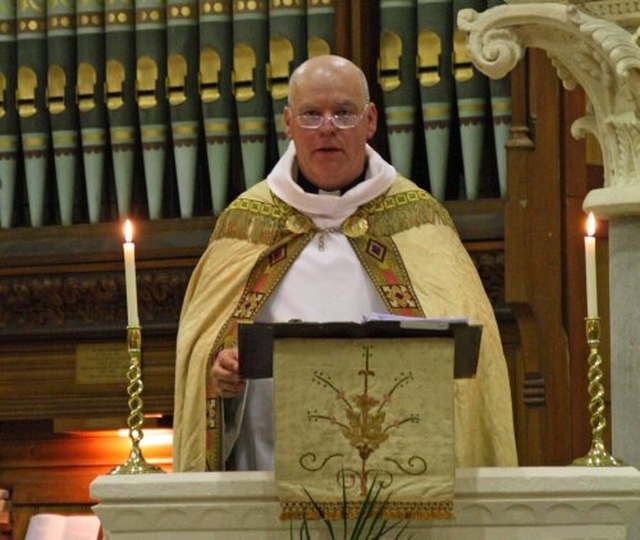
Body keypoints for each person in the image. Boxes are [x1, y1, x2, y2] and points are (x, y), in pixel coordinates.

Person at [173, 55, 518, 472]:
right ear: (288, 123)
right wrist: (222, 376)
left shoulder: (419, 222)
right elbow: (203, 359)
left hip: (395, 484)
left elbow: (471, 367)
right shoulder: (246, 225)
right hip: (264, 484)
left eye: (343, 113)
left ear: (370, 120)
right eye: (312, 115)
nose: (328, 128)